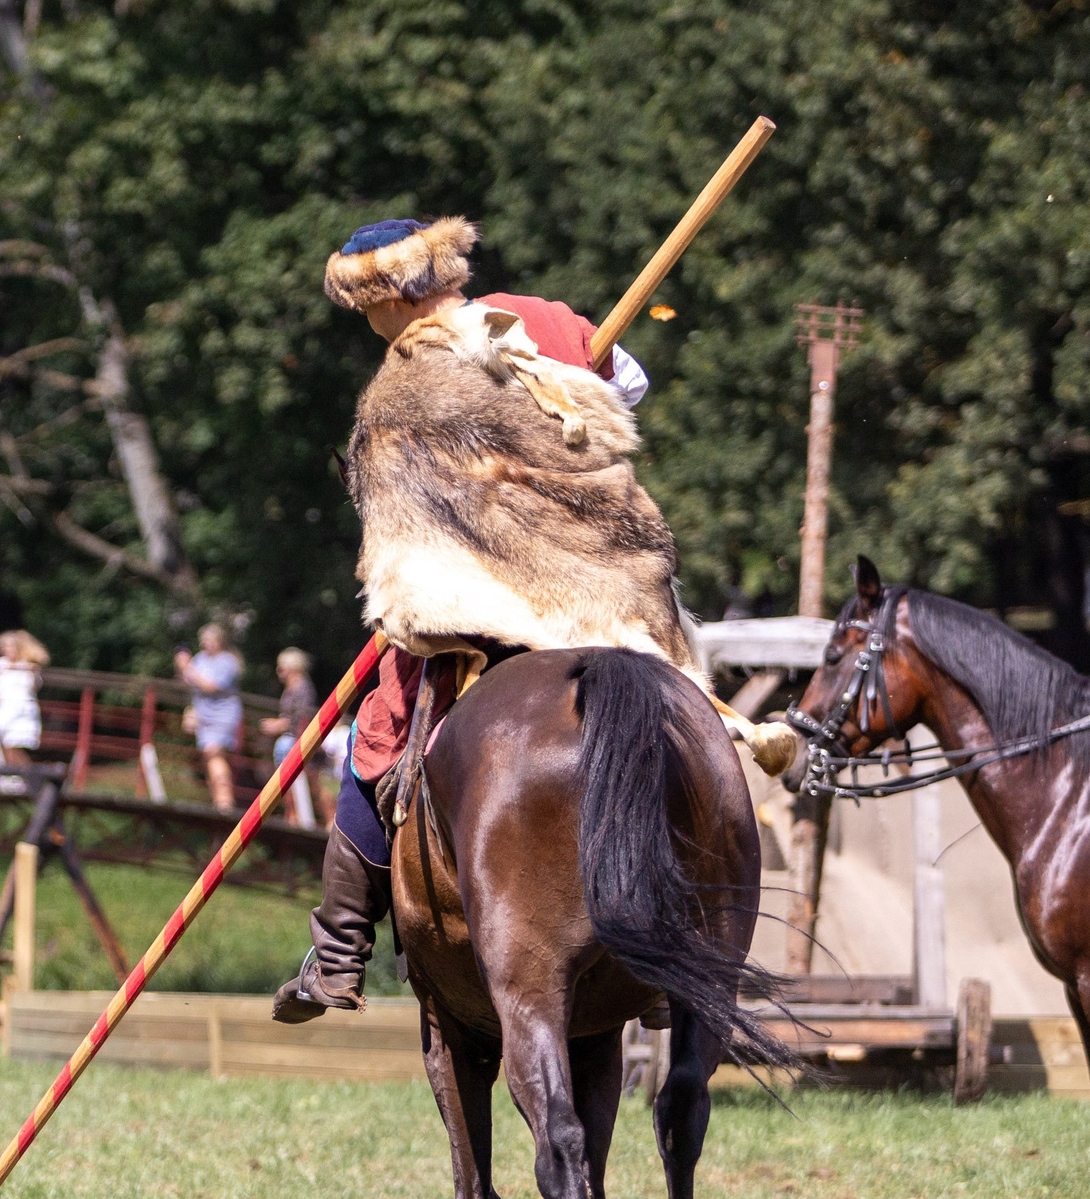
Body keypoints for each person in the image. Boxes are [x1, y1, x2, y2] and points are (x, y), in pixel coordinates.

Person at [270, 215, 793, 1024]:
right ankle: (679, 938)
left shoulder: (396, 386)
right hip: (605, 596)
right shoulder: (539, 317)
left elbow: (408, 529)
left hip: (487, 608)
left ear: (381, 301)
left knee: (378, 728)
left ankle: (339, 949)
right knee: (683, 722)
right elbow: (630, 392)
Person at [176, 623, 245, 810]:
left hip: (222, 716)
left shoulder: (228, 662)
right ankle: (218, 800)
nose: (205, 644)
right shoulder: (200, 659)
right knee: (209, 758)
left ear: (219, 641)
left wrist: (188, 669)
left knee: (213, 753)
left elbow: (211, 686)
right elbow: (187, 684)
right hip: (204, 716)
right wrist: (182, 667)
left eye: (209, 640)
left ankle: (225, 802)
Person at [259, 647, 331, 824]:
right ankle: (295, 816)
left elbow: (300, 718)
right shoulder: (293, 688)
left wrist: (277, 725)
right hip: (293, 740)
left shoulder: (301, 688)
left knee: (307, 783)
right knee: (300, 783)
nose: (278, 671)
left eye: (281, 667)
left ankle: (303, 818)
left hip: (298, 741)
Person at [0, 629, 48, 762]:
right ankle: (24, 778)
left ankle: (29, 777)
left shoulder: (29, 666)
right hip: (3, 710)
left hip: (21, 709)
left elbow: (34, 685)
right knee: (6, 746)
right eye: (3, 647)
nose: (5, 650)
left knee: (13, 746)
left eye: (9, 647)